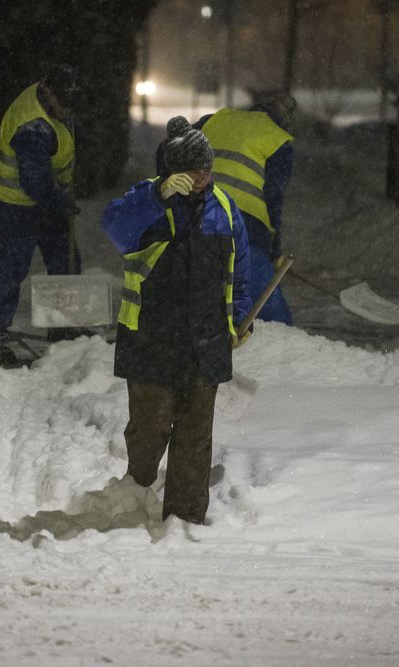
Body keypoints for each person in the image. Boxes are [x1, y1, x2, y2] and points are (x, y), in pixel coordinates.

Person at [101, 119, 253, 525]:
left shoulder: (223, 209)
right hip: (152, 339)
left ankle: (185, 518)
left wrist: (239, 317)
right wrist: (156, 195)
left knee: (195, 435)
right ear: (174, 171)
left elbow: (239, 270)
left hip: (205, 341)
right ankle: (137, 489)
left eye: (207, 168)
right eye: (193, 170)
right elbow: (114, 227)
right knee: (150, 428)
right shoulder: (150, 199)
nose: (203, 177)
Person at [157, 94, 297, 325]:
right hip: (243, 222)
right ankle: (284, 339)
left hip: (196, 212)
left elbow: (166, 149)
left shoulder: (215, 120)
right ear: (283, 122)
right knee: (258, 282)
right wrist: (274, 250)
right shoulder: (278, 139)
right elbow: (274, 199)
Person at [0, 64, 84, 365]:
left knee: (65, 258)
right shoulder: (32, 128)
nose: (68, 112)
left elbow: (67, 133)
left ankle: (63, 326)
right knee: (14, 263)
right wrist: (61, 201)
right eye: (64, 106)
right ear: (48, 94)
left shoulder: (54, 102)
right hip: (15, 204)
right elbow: (35, 182)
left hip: (46, 198)